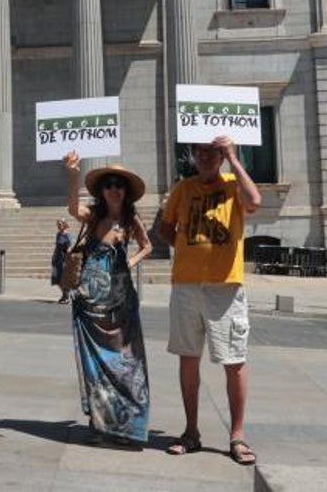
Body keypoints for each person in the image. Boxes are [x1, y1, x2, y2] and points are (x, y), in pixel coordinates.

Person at [158, 136, 261, 466]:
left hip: (225, 288)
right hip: (186, 286)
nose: (204, 157)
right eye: (199, 151)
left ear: (221, 155)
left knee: (234, 361)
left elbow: (255, 201)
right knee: (188, 359)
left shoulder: (233, 184)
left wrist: (234, 158)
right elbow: (164, 227)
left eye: (211, 152)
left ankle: (237, 436)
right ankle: (191, 432)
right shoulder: (182, 188)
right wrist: (188, 248)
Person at [61, 151, 153, 445]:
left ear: (126, 192)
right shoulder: (95, 216)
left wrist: (131, 262)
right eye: (109, 184)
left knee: (126, 364)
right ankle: (102, 427)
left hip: (122, 303)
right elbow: (74, 208)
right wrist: (74, 173)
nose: (114, 189)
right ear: (101, 190)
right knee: (96, 366)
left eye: (119, 184)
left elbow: (147, 246)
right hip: (90, 304)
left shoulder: (130, 220)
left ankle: (128, 427)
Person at [51, 218, 71, 303]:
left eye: (60, 224)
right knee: (57, 278)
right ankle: (64, 294)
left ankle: (67, 296)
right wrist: (54, 256)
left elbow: (70, 248)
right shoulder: (58, 234)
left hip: (64, 258)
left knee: (63, 279)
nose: (58, 226)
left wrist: (67, 260)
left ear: (64, 224)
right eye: (57, 224)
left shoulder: (68, 235)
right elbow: (57, 246)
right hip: (57, 258)